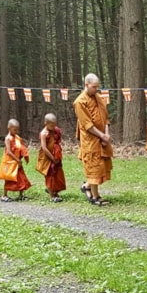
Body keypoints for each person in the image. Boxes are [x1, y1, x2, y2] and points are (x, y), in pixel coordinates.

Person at [73, 73, 113, 206]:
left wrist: (106, 135)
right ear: (86, 85)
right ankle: (95, 197)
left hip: (102, 139)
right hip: (90, 140)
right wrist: (101, 136)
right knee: (94, 166)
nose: (96, 89)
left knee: (103, 166)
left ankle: (86, 186)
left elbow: (105, 118)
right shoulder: (80, 102)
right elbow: (87, 124)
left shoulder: (100, 98)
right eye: (94, 87)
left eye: (97, 87)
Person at [0, 119, 31, 202]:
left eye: (17, 129)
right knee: (9, 178)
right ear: (9, 128)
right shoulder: (8, 138)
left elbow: (20, 147)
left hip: (17, 161)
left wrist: (23, 155)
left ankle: (21, 195)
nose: (16, 131)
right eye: (14, 129)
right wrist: (17, 160)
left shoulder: (17, 137)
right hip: (10, 162)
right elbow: (8, 151)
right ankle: (4, 195)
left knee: (21, 177)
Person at [35, 113, 66, 203]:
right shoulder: (43, 134)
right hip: (47, 157)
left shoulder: (55, 130)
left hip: (56, 156)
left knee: (57, 174)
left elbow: (57, 141)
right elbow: (44, 148)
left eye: (54, 125)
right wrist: (52, 158)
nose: (53, 127)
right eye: (51, 125)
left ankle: (55, 191)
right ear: (46, 123)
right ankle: (52, 196)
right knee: (49, 175)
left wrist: (57, 155)